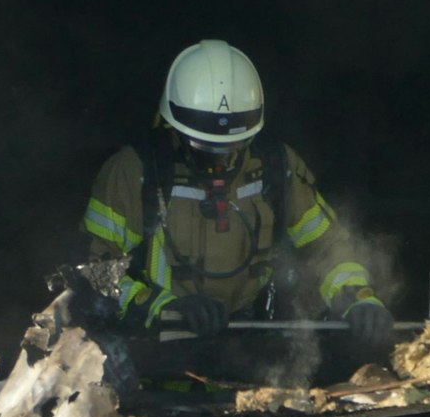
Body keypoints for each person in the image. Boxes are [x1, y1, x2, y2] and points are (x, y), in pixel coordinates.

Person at [82, 39, 393, 346]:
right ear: (174, 126)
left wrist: (358, 297)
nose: (219, 160)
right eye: (204, 148)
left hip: (252, 352)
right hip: (157, 353)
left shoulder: (276, 167)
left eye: (232, 147)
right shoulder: (134, 172)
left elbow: (327, 248)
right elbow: (93, 275)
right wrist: (160, 306)